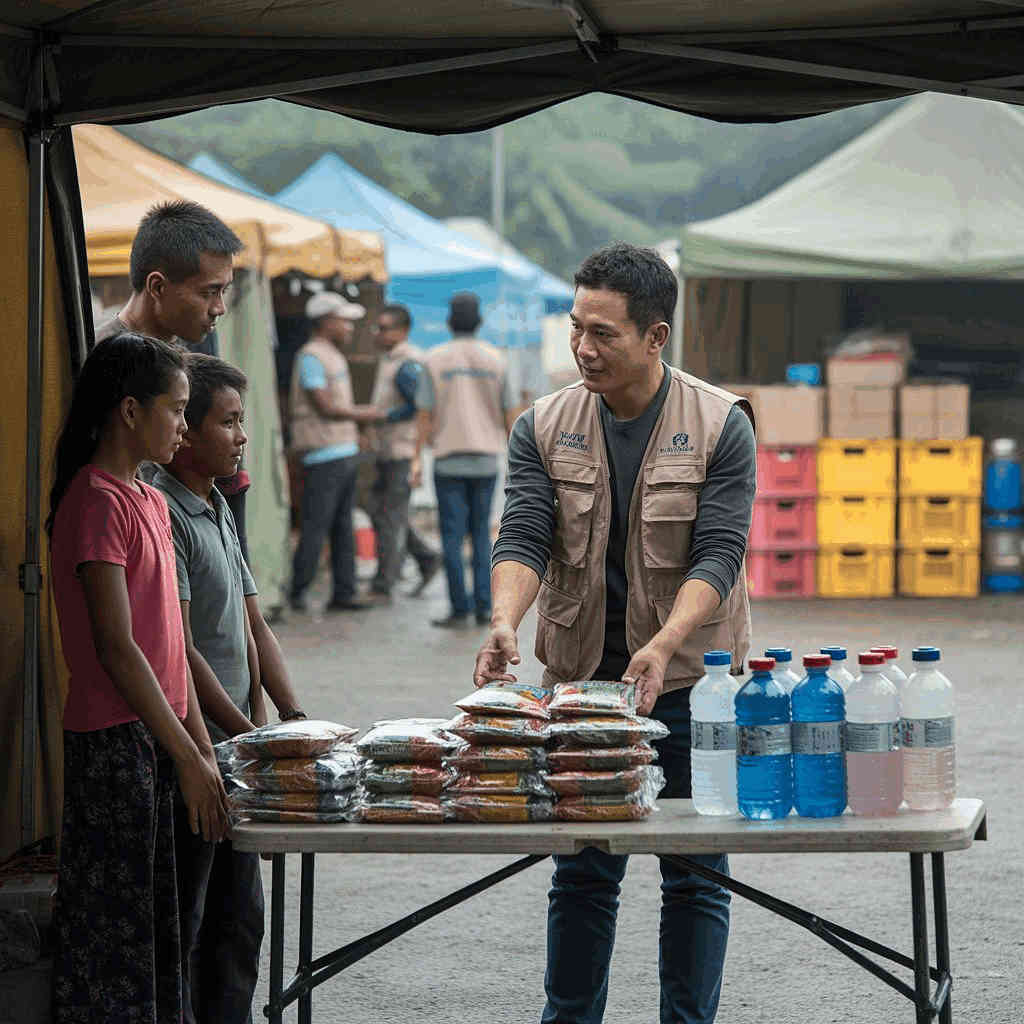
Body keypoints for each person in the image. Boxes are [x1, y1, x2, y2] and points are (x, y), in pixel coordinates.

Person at [473, 243, 757, 1024]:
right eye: (576, 328)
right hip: (581, 686)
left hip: (693, 687)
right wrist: (505, 620)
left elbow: (720, 553)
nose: (583, 349)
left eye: (604, 334)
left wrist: (666, 642)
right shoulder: (544, 422)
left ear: (656, 337)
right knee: (583, 871)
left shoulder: (721, 424)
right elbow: (526, 534)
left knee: (695, 873)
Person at [47, 333, 230, 1024]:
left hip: (162, 740)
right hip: (114, 745)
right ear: (129, 411)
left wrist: (203, 751)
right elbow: (119, 649)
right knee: (114, 938)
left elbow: (173, 644)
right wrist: (187, 754)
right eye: (175, 408)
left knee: (162, 930)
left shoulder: (149, 499)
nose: (183, 424)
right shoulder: (96, 501)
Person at [151, 353, 308, 1023]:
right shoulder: (166, 511)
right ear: (183, 431)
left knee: (242, 923)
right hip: (196, 754)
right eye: (230, 421)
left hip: (238, 753)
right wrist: (246, 735)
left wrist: (293, 718)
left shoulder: (217, 504)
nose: (242, 435)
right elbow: (180, 651)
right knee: (194, 921)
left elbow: (253, 624)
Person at [94, 199, 254, 562]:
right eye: (208, 292)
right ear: (157, 286)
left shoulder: (184, 362)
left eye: (223, 291)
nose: (219, 308)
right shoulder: (103, 362)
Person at [415, 292, 519, 627]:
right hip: (487, 459)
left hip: (448, 460)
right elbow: (511, 415)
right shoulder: (496, 360)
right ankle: (484, 607)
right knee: (482, 535)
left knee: (451, 536)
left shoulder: (434, 359)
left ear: (449, 322)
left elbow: (424, 415)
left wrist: (417, 458)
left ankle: (459, 609)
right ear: (479, 322)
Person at [288, 292, 382, 612]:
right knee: (316, 524)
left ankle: (344, 591)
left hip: (341, 450)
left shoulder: (332, 355)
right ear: (326, 321)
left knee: (343, 525)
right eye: (343, 321)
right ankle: (297, 590)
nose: (349, 328)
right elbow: (325, 406)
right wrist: (365, 414)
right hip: (322, 453)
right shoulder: (312, 356)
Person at [366, 303, 440, 602]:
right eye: (378, 327)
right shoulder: (392, 359)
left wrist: (385, 417)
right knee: (381, 512)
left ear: (403, 331)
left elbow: (418, 406)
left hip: (400, 448)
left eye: (385, 328)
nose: (378, 333)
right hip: (388, 448)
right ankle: (426, 558)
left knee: (390, 516)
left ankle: (384, 584)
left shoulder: (407, 363)